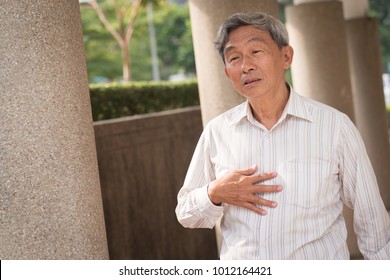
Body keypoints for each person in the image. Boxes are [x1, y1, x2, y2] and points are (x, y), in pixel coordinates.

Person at [175, 11, 390, 259]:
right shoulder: (217, 132)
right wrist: (214, 194)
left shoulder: (334, 127)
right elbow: (185, 213)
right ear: (227, 73)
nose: (246, 66)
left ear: (286, 56)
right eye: (234, 58)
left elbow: (374, 226)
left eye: (256, 52)